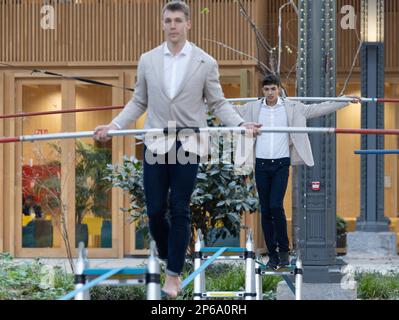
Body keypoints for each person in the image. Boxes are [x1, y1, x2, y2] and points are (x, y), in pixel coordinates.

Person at [94, 1, 260, 297]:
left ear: (188, 24)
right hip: (157, 141)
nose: (172, 25)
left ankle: (172, 273)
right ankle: (172, 256)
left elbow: (218, 102)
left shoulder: (205, 62)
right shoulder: (148, 60)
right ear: (163, 24)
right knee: (155, 210)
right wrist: (114, 126)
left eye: (178, 20)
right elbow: (139, 101)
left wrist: (240, 124)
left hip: (190, 142)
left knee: (180, 207)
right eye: (168, 20)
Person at [234, 74, 360, 270]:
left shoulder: (293, 107)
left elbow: (319, 108)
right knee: (265, 210)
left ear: (279, 89)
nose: (269, 93)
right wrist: (201, 100)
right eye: (266, 89)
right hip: (261, 164)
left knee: (276, 206)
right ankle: (273, 256)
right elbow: (230, 110)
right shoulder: (252, 108)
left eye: (273, 89)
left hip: (281, 163)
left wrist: (343, 101)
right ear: (262, 90)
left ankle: (284, 252)